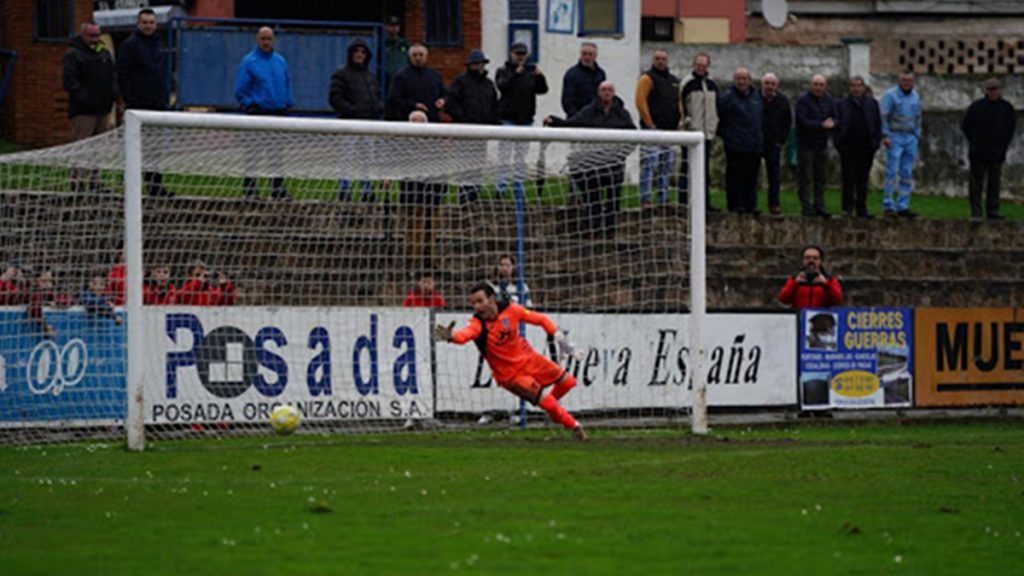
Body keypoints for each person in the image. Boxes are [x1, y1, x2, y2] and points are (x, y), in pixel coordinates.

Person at [434, 282, 587, 441]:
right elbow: (465, 335)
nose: (477, 307)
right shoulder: (477, 324)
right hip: (511, 375)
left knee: (568, 382)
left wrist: (560, 339)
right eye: (473, 303)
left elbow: (541, 319)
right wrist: (452, 337)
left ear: (492, 299)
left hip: (530, 359)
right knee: (547, 402)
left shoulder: (511, 310)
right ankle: (574, 426)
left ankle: (555, 414)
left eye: (480, 301)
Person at [545, 81, 636, 235]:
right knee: (593, 198)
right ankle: (592, 229)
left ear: (614, 93)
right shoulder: (590, 111)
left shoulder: (622, 114)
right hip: (593, 165)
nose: (607, 93)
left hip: (614, 165)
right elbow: (572, 124)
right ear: (598, 93)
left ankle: (610, 231)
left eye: (609, 90)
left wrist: (621, 154)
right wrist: (554, 121)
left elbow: (633, 136)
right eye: (603, 90)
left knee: (613, 200)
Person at [235, 26, 294, 200]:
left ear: (273, 40)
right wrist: (250, 105)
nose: (266, 42)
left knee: (276, 154)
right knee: (253, 153)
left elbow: (287, 83)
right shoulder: (249, 61)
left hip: (278, 114)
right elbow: (240, 90)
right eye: (263, 39)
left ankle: (277, 189)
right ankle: (250, 189)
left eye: (269, 39)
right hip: (258, 114)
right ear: (257, 40)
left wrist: (288, 102)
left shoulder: (280, 61)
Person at [117, 8, 171, 197]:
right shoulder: (130, 45)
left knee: (154, 149)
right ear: (138, 24)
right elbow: (123, 75)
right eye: (145, 22)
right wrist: (130, 100)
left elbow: (163, 73)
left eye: (151, 22)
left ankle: (155, 185)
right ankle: (128, 184)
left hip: (157, 105)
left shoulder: (159, 44)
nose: (148, 26)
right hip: (138, 106)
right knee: (134, 146)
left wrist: (164, 98)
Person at [63, 21, 119, 193]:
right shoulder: (73, 54)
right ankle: (77, 182)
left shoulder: (104, 53)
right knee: (82, 147)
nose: (95, 39)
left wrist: (113, 98)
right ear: (83, 35)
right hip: (84, 111)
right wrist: (84, 98)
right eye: (91, 35)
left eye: (97, 35)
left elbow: (112, 78)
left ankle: (96, 181)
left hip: (103, 108)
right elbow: (70, 82)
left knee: (99, 147)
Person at [438, 49, 499, 204]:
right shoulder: (460, 82)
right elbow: (450, 103)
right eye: (476, 63)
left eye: (482, 63)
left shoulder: (488, 84)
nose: (479, 66)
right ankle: (464, 197)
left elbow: (493, 105)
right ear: (470, 65)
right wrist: (463, 119)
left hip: (482, 132)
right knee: (465, 166)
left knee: (478, 165)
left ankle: (475, 197)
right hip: (465, 132)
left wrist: (492, 122)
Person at [329, 37, 383, 202]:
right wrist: (351, 111)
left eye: (363, 52)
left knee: (368, 158)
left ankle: (367, 189)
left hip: (368, 124)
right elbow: (335, 98)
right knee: (347, 158)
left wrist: (378, 108)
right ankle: (345, 190)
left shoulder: (370, 76)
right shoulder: (341, 74)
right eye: (356, 51)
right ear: (350, 54)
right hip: (349, 124)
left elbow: (377, 96)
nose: (359, 55)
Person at [496, 42, 548, 198]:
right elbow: (501, 86)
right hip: (507, 119)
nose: (520, 57)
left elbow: (543, 90)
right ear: (511, 54)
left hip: (525, 119)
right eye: (517, 54)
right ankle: (501, 188)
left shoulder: (530, 71)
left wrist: (540, 77)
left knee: (521, 158)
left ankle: (519, 188)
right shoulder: (503, 70)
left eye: (523, 54)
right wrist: (515, 75)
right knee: (504, 156)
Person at [961, 77, 1016, 221]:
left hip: (997, 152)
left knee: (994, 184)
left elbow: (1010, 129)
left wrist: (1003, 145)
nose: (993, 92)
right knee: (976, 184)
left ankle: (993, 211)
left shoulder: (1007, 108)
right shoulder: (976, 107)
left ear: (1000, 90)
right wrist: (974, 142)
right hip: (978, 152)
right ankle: (976, 212)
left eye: (995, 89)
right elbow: (966, 126)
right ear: (986, 91)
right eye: (990, 89)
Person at [635, 49, 681, 206]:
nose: (660, 61)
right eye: (657, 58)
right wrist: (649, 123)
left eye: (663, 58)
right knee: (650, 164)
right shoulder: (647, 78)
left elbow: (678, 102)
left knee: (666, 165)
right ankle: (645, 198)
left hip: (670, 131)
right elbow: (640, 101)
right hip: (652, 130)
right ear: (652, 60)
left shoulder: (674, 80)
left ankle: (663, 197)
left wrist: (679, 120)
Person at [834, 76, 882, 219]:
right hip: (848, 147)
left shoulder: (872, 104)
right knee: (847, 179)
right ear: (850, 88)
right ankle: (847, 208)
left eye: (859, 85)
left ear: (863, 87)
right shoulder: (841, 104)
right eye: (853, 86)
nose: (856, 88)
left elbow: (877, 124)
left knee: (862, 180)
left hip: (866, 147)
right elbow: (837, 125)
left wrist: (875, 143)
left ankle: (862, 208)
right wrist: (839, 143)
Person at [717, 67, 763, 214]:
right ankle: (735, 205)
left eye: (744, 79)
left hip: (754, 144)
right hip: (735, 145)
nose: (741, 81)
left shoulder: (756, 96)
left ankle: (751, 205)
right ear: (734, 80)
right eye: (739, 78)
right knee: (735, 177)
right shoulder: (727, 98)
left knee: (752, 177)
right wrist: (729, 136)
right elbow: (720, 119)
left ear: (749, 80)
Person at [679, 52, 719, 209]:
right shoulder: (687, 83)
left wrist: (714, 126)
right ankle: (683, 201)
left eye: (704, 65)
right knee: (686, 168)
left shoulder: (712, 84)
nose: (701, 68)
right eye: (698, 65)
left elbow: (716, 108)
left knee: (704, 170)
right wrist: (685, 124)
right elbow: (680, 107)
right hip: (690, 133)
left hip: (707, 134)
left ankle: (704, 203)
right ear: (693, 65)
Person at [880, 71, 922, 218]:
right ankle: (888, 204)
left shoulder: (915, 96)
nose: (906, 83)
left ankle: (903, 205)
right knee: (891, 171)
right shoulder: (890, 95)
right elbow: (883, 116)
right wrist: (885, 135)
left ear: (913, 81)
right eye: (904, 80)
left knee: (906, 172)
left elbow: (918, 117)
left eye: (909, 80)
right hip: (895, 135)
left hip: (910, 137)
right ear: (899, 80)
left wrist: (917, 134)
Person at [795, 74, 837, 218]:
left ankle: (820, 205)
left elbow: (835, 116)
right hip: (806, 144)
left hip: (822, 144)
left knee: (821, 178)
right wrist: (821, 125)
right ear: (810, 85)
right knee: (805, 177)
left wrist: (833, 123)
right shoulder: (802, 100)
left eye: (821, 85)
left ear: (825, 87)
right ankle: (806, 206)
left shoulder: (829, 100)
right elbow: (802, 121)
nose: (818, 88)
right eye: (816, 84)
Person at [387, 43, 445, 123]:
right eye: (414, 55)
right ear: (409, 57)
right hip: (406, 121)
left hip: (432, 121)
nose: (418, 58)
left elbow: (443, 94)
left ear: (426, 57)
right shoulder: (400, 77)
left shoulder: (436, 76)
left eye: (421, 55)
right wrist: (414, 105)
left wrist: (442, 101)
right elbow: (394, 99)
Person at [760, 73, 791, 215]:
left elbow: (787, 122)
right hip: (756, 142)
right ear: (762, 84)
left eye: (772, 84)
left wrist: (781, 140)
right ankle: (749, 204)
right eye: (767, 83)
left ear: (776, 86)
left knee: (774, 176)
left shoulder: (783, 101)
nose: (769, 86)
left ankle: (774, 204)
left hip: (774, 144)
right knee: (750, 174)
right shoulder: (755, 99)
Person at [778, 245, 843, 310]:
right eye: (807, 258)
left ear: (820, 261)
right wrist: (795, 283)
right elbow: (783, 299)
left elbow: (837, 299)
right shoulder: (794, 279)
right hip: (800, 317)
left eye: (815, 258)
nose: (811, 260)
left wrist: (826, 284)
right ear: (803, 260)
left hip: (821, 317)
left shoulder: (829, 279)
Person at [560, 42, 605, 118]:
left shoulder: (600, 74)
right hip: (576, 118)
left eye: (590, 54)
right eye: (584, 54)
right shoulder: (572, 74)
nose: (587, 57)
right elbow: (567, 101)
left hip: (596, 118)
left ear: (595, 56)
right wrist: (578, 117)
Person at [383, 16, 410, 89]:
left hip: (402, 79)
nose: (394, 28)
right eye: (391, 25)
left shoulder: (404, 43)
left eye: (396, 26)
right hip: (385, 79)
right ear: (386, 27)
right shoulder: (381, 43)